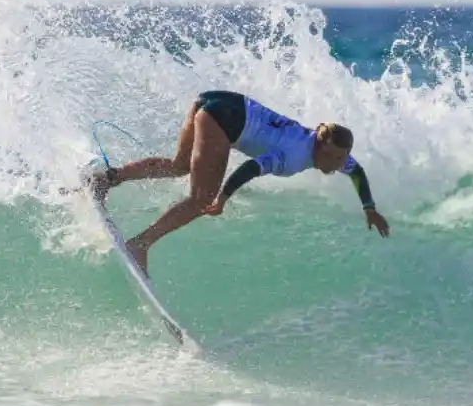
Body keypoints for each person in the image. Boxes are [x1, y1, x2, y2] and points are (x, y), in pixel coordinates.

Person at [90, 90, 390, 276]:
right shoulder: (295, 155)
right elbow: (250, 167)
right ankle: (140, 244)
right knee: (200, 199)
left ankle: (107, 179)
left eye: (342, 159)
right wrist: (222, 198)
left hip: (214, 100)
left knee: (179, 166)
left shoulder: (322, 145)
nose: (340, 165)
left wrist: (369, 207)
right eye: (336, 159)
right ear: (321, 149)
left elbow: (356, 170)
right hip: (224, 120)